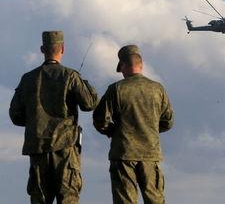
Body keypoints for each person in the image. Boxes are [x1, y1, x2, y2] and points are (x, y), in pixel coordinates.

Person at [9, 31, 98, 204]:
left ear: (42, 49)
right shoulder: (71, 76)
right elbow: (89, 103)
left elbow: (15, 115)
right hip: (65, 150)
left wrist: (34, 121)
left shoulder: (28, 79)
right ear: (62, 49)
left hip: (37, 149)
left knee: (40, 199)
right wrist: (84, 83)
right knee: (68, 197)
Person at [93, 45, 174, 204]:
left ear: (123, 65)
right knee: (155, 200)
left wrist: (113, 131)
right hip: (150, 154)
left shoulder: (116, 89)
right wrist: (150, 130)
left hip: (123, 154)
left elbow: (99, 120)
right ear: (141, 64)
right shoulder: (158, 89)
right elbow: (168, 121)